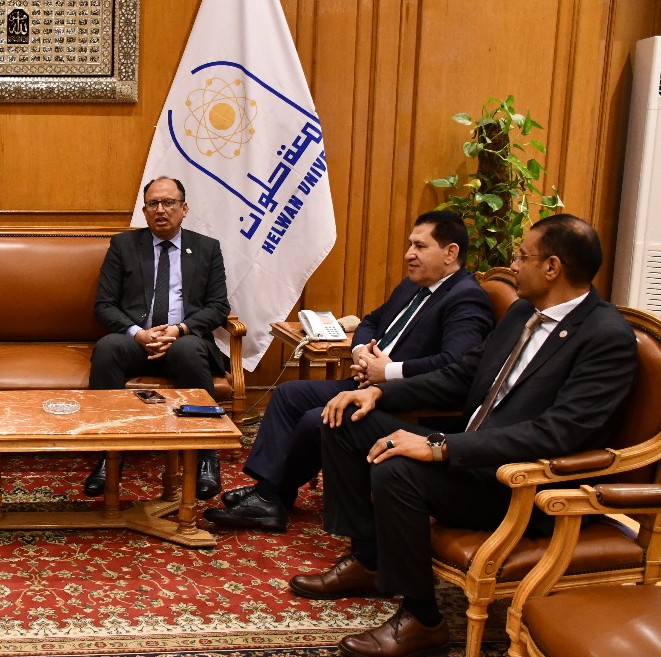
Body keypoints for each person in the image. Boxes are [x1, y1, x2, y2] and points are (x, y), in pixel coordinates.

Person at [291, 214, 637, 657]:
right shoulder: (523, 312)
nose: (513, 265)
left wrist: (441, 447)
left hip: (520, 484)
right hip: (472, 452)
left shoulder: (606, 337)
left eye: (522, 256)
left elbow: (558, 432)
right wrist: (379, 392)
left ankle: (422, 620)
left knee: (398, 469)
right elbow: (462, 375)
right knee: (345, 418)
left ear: (552, 267)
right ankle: (370, 559)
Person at [204, 210, 494, 533]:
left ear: (451, 253)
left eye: (420, 246)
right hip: (366, 383)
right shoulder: (412, 286)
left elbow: (454, 365)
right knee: (287, 395)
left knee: (318, 419)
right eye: (410, 244)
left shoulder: (466, 298)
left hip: (408, 401)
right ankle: (271, 494)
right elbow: (370, 320)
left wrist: (389, 371)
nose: (408, 254)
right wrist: (360, 351)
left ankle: (268, 496)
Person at [83, 176, 231, 500]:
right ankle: (108, 454)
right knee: (108, 348)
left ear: (184, 208)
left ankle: (205, 456)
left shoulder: (207, 248)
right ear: (145, 211)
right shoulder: (123, 246)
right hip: (137, 340)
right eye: (153, 204)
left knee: (190, 351)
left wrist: (180, 330)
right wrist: (138, 333)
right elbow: (104, 304)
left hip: (183, 339)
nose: (161, 210)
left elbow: (219, 306)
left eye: (168, 203)